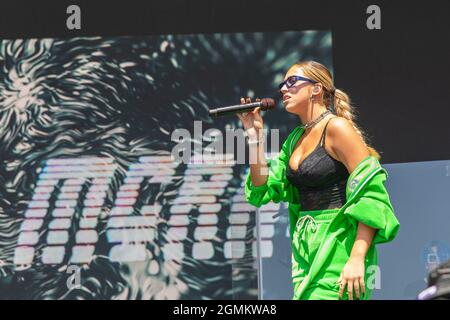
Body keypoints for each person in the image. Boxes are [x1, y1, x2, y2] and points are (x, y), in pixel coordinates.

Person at [237, 60, 400, 300]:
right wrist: (255, 137)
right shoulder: (294, 140)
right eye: (283, 84)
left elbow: (371, 196)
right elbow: (262, 187)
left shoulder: (337, 128)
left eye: (292, 82)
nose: (283, 89)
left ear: (316, 89)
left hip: (338, 246)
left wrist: (356, 258)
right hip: (305, 254)